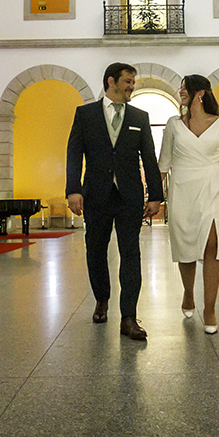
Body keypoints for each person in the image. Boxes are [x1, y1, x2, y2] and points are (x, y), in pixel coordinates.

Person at [66, 62, 164, 341]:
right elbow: (74, 153)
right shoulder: (85, 114)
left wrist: (156, 195)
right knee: (95, 251)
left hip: (128, 196)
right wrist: (73, 189)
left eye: (133, 82)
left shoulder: (139, 117)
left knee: (131, 253)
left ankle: (129, 317)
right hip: (95, 195)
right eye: (128, 81)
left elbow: (149, 157)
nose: (132, 86)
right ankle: (101, 299)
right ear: (111, 81)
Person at [158, 75, 219, 335]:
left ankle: (210, 308)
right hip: (182, 188)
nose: (181, 91)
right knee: (186, 243)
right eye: (181, 87)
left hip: (212, 186)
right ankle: (188, 292)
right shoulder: (173, 124)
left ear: (201, 93)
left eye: (186, 87)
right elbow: (164, 163)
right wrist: (152, 196)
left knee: (212, 244)